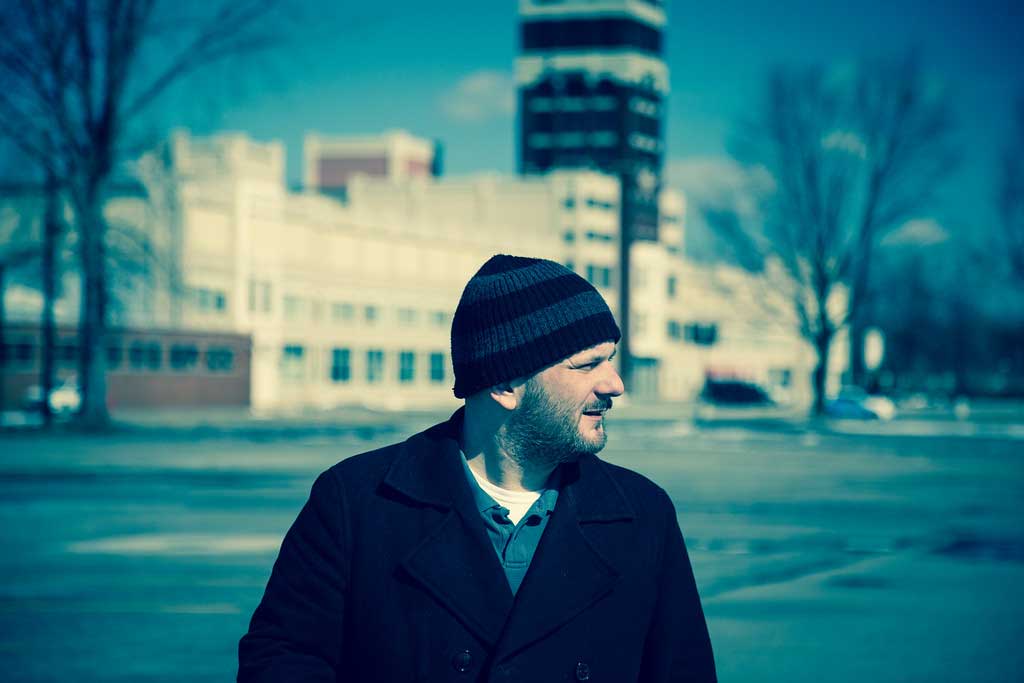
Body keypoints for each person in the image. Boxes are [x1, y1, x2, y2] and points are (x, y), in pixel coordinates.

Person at [238, 254, 716, 682]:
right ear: (506, 384)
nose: (614, 384)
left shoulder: (642, 514)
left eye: (609, 360)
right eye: (587, 365)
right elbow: (283, 660)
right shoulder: (356, 502)